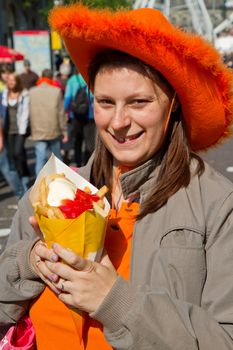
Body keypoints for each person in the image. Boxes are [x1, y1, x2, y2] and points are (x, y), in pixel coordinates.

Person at [1, 4, 233, 350]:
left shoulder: (217, 204)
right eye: (106, 102)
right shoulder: (51, 189)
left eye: (139, 102)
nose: (118, 121)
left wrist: (114, 300)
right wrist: (29, 261)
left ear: (173, 107)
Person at [29, 68, 68, 176]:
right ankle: (61, 183)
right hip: (53, 130)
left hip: (38, 130)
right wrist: (64, 131)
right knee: (57, 160)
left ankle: (39, 186)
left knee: (40, 160)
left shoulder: (32, 92)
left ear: (42, 76)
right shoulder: (56, 91)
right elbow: (61, 113)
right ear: (52, 77)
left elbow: (29, 112)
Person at [0, 72, 30, 196]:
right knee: (13, 155)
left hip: (20, 130)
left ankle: (24, 177)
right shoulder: (4, 94)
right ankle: (20, 176)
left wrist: (22, 130)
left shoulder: (24, 94)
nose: (11, 82)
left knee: (18, 152)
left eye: (13, 80)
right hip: (7, 130)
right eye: (9, 80)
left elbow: (25, 113)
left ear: (17, 81)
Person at [64, 70, 96, 167]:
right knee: (89, 142)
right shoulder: (91, 79)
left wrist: (66, 112)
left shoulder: (72, 80)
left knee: (77, 140)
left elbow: (67, 98)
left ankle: (78, 163)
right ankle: (87, 164)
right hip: (90, 115)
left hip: (76, 115)